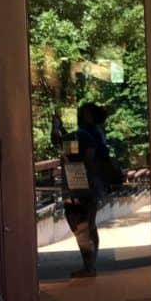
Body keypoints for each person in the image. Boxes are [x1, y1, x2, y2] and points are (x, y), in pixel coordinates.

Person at [51, 102, 113, 278]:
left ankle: (89, 265)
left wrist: (57, 128)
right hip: (92, 187)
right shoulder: (95, 134)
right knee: (89, 225)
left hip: (81, 187)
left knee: (80, 224)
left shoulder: (84, 136)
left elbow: (61, 145)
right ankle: (90, 263)